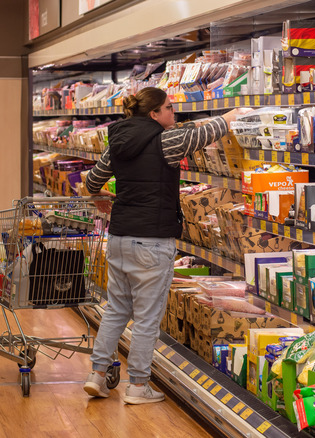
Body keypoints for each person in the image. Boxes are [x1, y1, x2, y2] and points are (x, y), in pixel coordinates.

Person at [82, 86, 250, 404]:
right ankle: (137, 386)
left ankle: (97, 375)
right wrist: (230, 118)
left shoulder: (115, 142)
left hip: (118, 238)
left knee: (116, 310)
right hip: (152, 241)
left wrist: (99, 196)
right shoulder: (166, 139)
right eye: (170, 108)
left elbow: (91, 180)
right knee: (146, 318)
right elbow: (200, 135)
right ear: (155, 113)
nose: (175, 114)